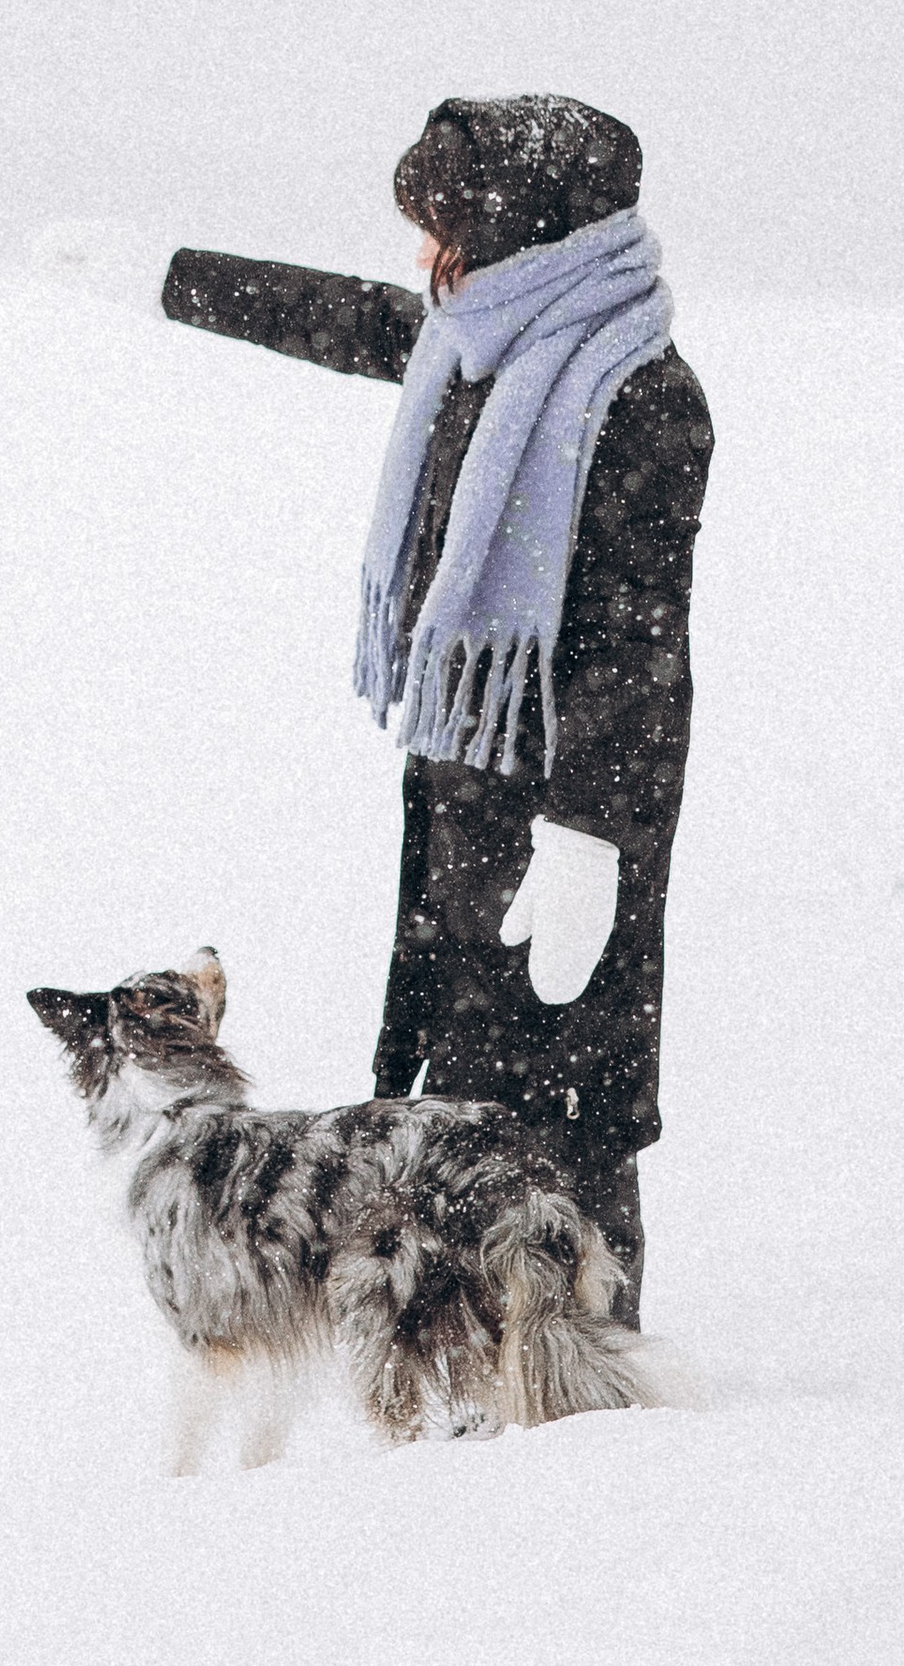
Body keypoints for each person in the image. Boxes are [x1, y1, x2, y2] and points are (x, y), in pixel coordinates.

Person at [64, 95, 710, 1325]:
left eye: (443, 229)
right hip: (462, 781)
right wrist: (170, 278)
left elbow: (639, 649)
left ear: (522, 228)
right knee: (461, 1094)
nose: (422, 260)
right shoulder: (488, 341)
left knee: (562, 1099)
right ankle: (482, 1367)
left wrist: (589, 843)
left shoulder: (633, 392)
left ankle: (590, 1379)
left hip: (568, 802)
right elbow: (348, 320)